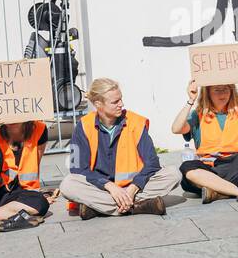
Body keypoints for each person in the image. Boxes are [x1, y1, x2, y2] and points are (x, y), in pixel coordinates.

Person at [60, 78, 181, 219]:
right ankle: (137, 207)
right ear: (98, 105)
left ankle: (100, 208)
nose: (121, 104)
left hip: (133, 188)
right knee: (68, 184)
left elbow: (152, 163)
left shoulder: (136, 122)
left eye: (121, 99)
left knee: (173, 174)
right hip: (101, 188)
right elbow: (77, 169)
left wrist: (133, 188)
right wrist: (109, 186)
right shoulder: (83, 126)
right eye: (115, 102)